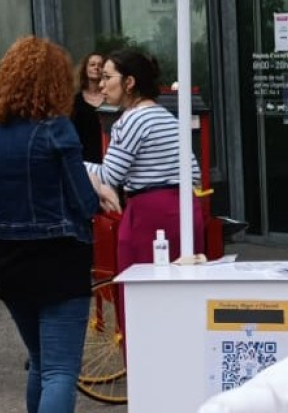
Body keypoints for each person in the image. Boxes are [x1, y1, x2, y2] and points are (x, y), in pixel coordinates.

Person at [0, 36, 116, 413]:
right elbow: (81, 200)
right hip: (58, 258)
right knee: (61, 369)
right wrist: (98, 197)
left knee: (41, 363)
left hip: (11, 260)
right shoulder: (56, 129)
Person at [85, 48, 202, 282]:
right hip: (187, 210)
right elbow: (195, 171)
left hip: (150, 217)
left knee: (141, 292)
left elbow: (109, 176)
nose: (101, 85)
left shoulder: (131, 120)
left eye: (108, 78)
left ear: (129, 82)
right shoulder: (166, 116)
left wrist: (72, 165)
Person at [70, 50, 106, 163]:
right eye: (92, 64)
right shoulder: (74, 101)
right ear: (85, 69)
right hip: (83, 159)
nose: (96, 67)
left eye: (100, 65)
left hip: (108, 157)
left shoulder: (110, 99)